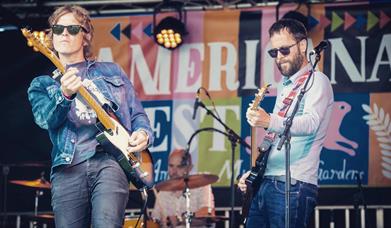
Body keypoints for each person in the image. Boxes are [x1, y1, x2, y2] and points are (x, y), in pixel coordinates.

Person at [27, 5, 154, 228]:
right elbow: (44, 120)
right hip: (68, 168)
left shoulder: (111, 71)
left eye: (72, 29)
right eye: (58, 29)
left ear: (86, 36)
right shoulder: (42, 84)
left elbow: (137, 114)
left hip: (109, 161)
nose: (64, 33)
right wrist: (64, 95)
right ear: (51, 37)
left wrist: (143, 133)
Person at [238, 18, 334, 228]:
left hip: (293, 184)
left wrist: (268, 120)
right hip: (266, 182)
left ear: (302, 45)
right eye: (274, 52)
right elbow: (278, 135)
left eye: (284, 50)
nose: (279, 57)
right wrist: (256, 172)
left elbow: (311, 124)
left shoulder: (318, 80)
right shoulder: (285, 86)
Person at [151, 149, 215, 227]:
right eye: (171, 166)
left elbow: (207, 215)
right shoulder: (163, 192)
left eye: (179, 167)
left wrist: (180, 220)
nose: (174, 171)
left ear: (190, 168)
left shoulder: (202, 185)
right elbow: (154, 221)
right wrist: (161, 222)